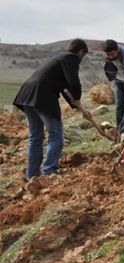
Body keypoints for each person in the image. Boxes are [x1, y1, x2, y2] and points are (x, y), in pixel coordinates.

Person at [13, 39, 90, 179]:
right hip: (43, 96)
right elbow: (73, 82)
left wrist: (77, 106)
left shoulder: (58, 59)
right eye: (83, 56)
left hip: (27, 95)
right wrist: (78, 97)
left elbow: (65, 89)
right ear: (80, 52)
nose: (81, 59)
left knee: (35, 137)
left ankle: (32, 175)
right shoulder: (70, 58)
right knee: (56, 134)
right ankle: (49, 171)